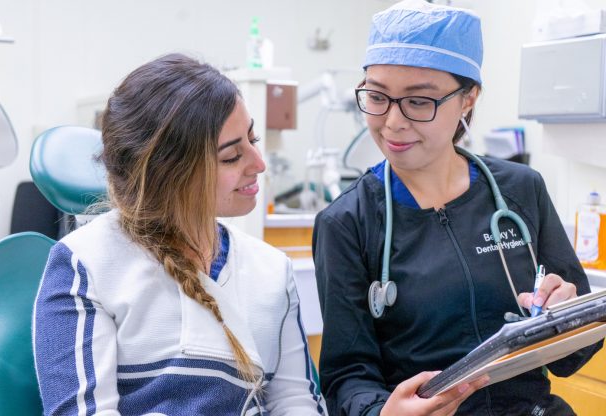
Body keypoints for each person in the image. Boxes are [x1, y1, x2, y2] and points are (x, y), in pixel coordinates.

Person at [312, 1, 602, 415]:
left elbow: (575, 353)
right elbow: (346, 377)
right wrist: (381, 412)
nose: (392, 122)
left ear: (469, 99)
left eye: (418, 101)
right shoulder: (346, 222)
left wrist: (567, 318)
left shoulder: (522, 191)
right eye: (376, 96)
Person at [33, 53, 327, 416]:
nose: (259, 164)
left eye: (254, 139)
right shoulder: (85, 265)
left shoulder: (272, 271)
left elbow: (295, 402)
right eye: (232, 157)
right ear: (169, 174)